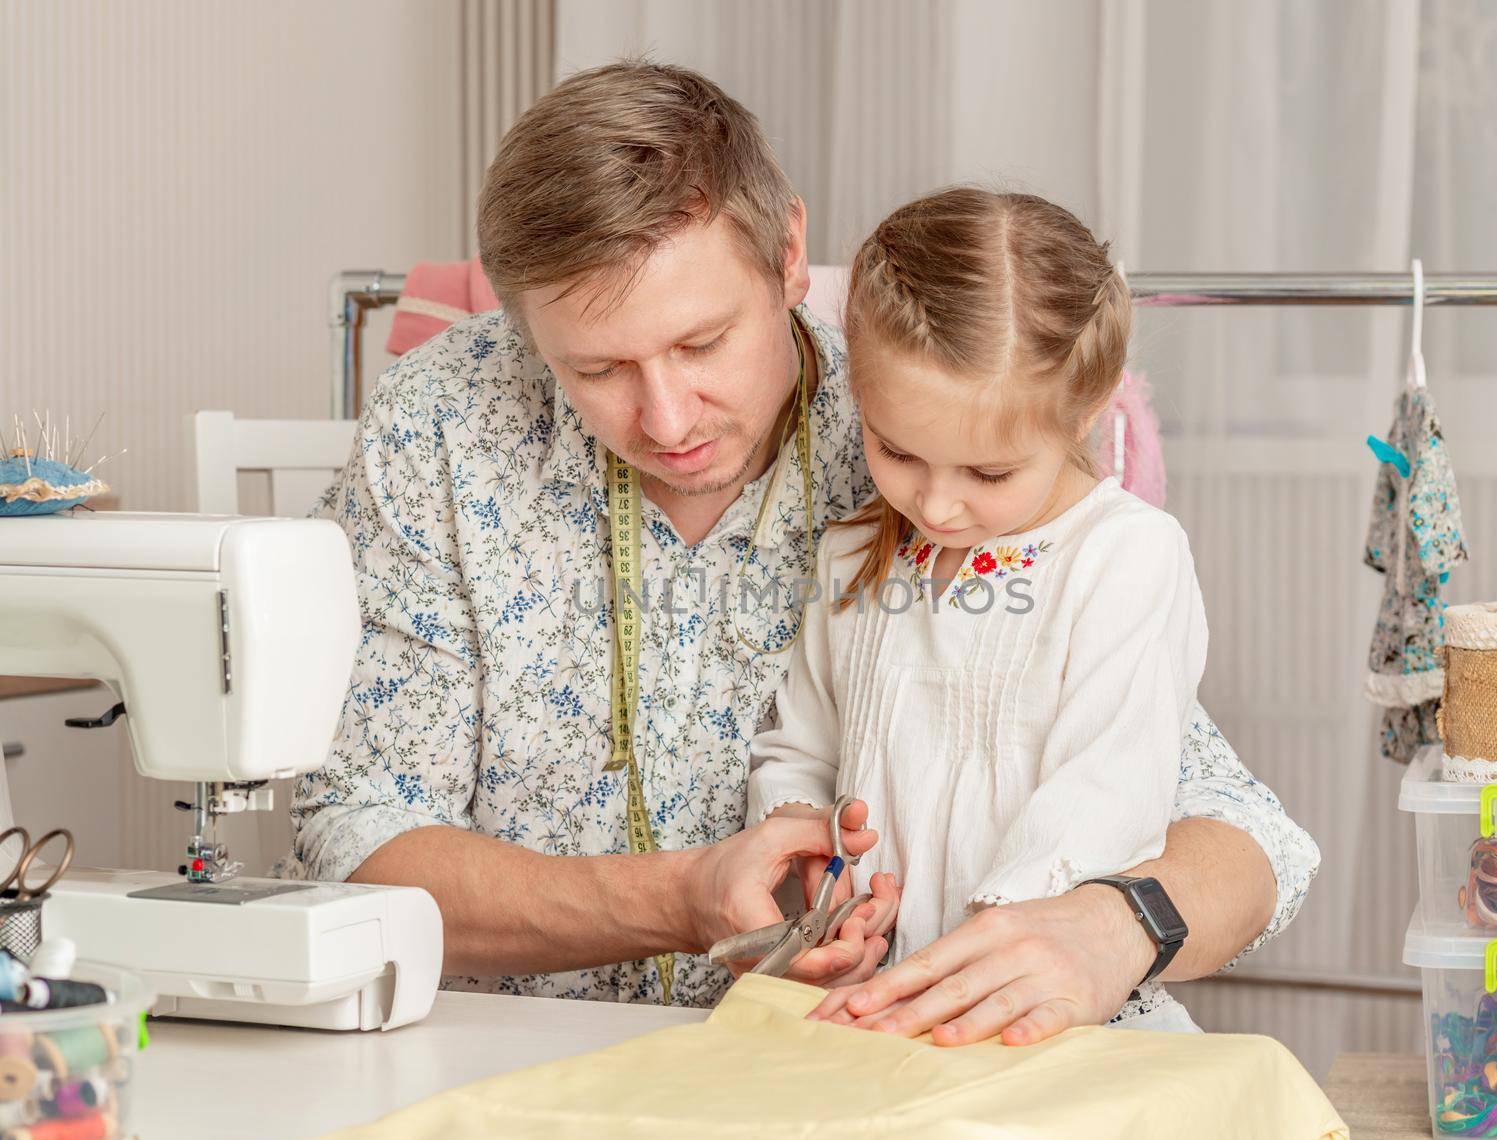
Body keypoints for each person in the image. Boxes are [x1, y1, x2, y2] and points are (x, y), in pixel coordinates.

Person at [292, 59, 1320, 1043]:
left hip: (836, 1064)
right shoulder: (443, 420)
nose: (665, 416)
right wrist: (682, 897)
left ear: (789, 255)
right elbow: (358, 843)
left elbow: (1244, 836)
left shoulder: (914, 441)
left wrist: (1105, 927)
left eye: (702, 344)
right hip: (517, 1056)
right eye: (596, 367)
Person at [748, 187, 1207, 1037]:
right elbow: (798, 748)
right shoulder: (852, 558)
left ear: (1089, 403)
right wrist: (811, 865)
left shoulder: (1126, 556)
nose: (939, 504)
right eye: (897, 450)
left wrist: (979, 953)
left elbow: (1110, 789)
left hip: (1047, 1010)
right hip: (879, 1006)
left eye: (989, 473)